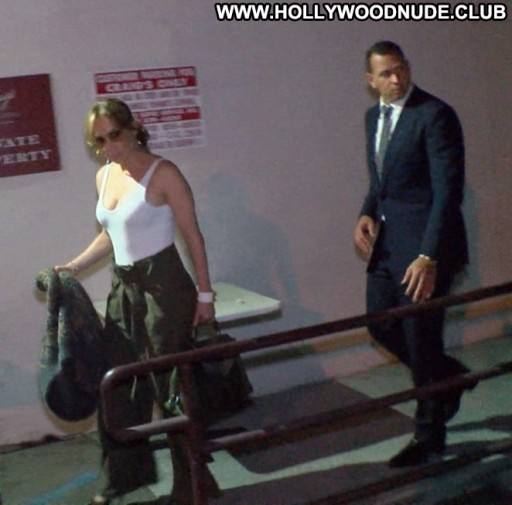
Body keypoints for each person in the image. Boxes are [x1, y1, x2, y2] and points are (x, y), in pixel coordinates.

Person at [55, 98, 220, 504]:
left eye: (114, 135)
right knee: (117, 386)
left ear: (132, 128)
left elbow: (192, 235)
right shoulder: (104, 177)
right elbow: (111, 235)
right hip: (124, 290)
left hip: (165, 289)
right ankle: (124, 477)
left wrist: (205, 295)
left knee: (171, 391)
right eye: (98, 141)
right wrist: (72, 267)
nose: (108, 147)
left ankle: (194, 485)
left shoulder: (164, 173)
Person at [353, 41, 475, 468]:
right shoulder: (374, 117)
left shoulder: (434, 114)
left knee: (421, 341)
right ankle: (448, 377)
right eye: (386, 73)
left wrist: (429, 255)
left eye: (401, 69)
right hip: (389, 245)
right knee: (379, 323)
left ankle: (429, 436)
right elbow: (381, 180)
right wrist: (367, 213)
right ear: (371, 80)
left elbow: (447, 192)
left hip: (427, 249)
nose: (396, 78)